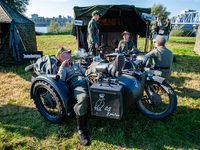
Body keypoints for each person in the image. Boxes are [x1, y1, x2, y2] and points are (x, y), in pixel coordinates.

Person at [56, 47, 125, 146]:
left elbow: (85, 72)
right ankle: (81, 130)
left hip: (87, 80)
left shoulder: (75, 64)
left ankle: (113, 68)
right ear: (62, 56)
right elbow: (60, 80)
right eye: (68, 53)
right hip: (77, 85)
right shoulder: (62, 67)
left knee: (97, 71)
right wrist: (63, 66)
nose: (70, 54)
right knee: (83, 99)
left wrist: (92, 69)